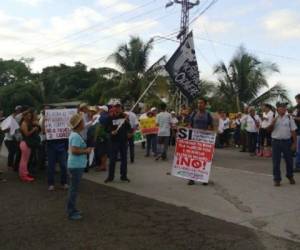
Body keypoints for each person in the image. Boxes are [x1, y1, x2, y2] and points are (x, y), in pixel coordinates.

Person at [67, 113, 93, 220]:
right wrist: (86, 151)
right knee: (73, 189)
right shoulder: (76, 136)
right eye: (82, 121)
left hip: (76, 164)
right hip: (76, 165)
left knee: (74, 188)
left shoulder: (75, 134)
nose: (83, 122)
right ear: (78, 124)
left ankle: (73, 209)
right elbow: (74, 150)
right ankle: (71, 211)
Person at [269, 102, 297, 186]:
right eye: (282, 107)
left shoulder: (289, 117)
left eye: (285, 107)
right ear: (277, 109)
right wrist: (272, 123)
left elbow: (293, 131)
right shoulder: (273, 117)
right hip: (276, 142)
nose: (284, 109)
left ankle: (290, 176)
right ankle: (277, 179)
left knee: (289, 161)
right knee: (276, 162)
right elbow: (268, 131)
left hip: (287, 142)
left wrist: (295, 143)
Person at [188, 97, 214, 185]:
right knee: (193, 158)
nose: (199, 104)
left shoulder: (208, 114)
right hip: (194, 140)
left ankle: (203, 178)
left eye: (201, 103)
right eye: (198, 103)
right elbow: (190, 125)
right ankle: (192, 178)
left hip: (205, 141)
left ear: (205, 104)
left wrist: (209, 131)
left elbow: (211, 126)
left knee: (204, 159)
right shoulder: (194, 113)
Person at [105, 102, 132, 183]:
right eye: (116, 107)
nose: (118, 109)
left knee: (124, 159)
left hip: (123, 141)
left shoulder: (124, 116)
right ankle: (110, 177)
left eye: (119, 107)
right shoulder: (110, 118)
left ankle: (123, 176)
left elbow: (129, 127)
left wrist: (127, 120)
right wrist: (111, 132)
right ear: (114, 109)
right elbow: (106, 129)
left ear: (121, 108)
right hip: (114, 141)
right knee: (112, 160)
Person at [19, 109, 39, 182]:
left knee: (24, 160)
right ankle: (24, 176)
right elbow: (26, 134)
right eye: (28, 116)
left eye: (30, 116)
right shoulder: (24, 123)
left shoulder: (27, 122)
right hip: (25, 143)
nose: (29, 117)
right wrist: (33, 130)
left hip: (26, 144)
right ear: (24, 116)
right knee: (24, 161)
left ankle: (24, 174)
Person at [1, 106, 22, 171]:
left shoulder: (18, 117)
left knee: (13, 152)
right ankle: (10, 165)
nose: (19, 111)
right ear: (15, 110)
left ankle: (11, 165)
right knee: (12, 152)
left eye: (20, 110)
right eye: (18, 110)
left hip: (13, 139)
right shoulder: (8, 119)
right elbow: (4, 129)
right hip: (8, 139)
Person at [293, 94, 300, 172]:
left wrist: (294, 117)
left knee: (298, 149)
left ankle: (298, 165)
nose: (296, 101)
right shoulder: (297, 108)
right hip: (297, 130)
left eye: (297, 99)